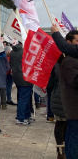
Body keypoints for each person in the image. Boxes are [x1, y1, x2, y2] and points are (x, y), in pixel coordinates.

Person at [54, 29, 78, 159]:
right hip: (74, 105)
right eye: (77, 41)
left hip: (71, 104)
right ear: (69, 42)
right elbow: (75, 81)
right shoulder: (70, 61)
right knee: (74, 135)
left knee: (71, 133)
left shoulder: (71, 59)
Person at [9, 42, 33, 125]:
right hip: (25, 77)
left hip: (16, 76)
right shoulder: (25, 52)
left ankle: (26, 115)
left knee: (22, 96)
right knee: (24, 98)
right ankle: (21, 118)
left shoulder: (12, 52)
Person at [50, 55, 66, 159]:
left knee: (63, 125)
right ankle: (61, 150)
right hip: (61, 98)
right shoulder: (62, 62)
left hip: (60, 97)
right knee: (62, 124)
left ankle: (62, 150)